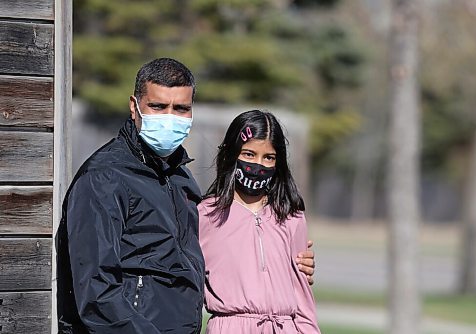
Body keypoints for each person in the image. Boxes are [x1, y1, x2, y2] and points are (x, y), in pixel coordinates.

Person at [56, 58, 315, 334]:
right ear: (134, 107)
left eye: (180, 108)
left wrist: (283, 261)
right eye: (158, 106)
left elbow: (212, 255)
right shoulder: (104, 178)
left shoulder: (180, 179)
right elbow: (96, 291)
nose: (169, 117)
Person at [198, 109, 321, 333]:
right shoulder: (205, 214)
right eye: (248, 154)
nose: (258, 165)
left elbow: (303, 298)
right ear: (230, 154)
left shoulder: (291, 216)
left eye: (269, 158)